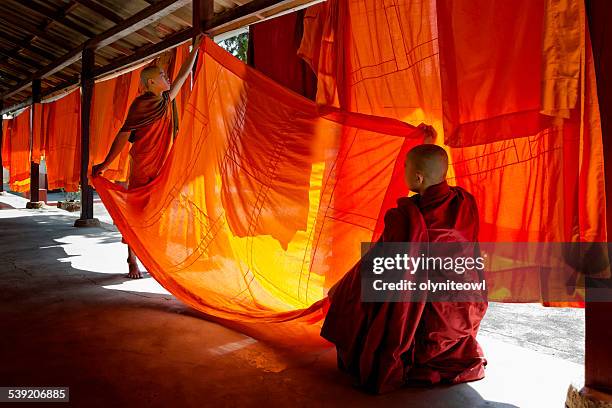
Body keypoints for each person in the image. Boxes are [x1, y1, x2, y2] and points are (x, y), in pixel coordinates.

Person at [321, 142, 487, 393]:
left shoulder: (408, 216)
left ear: (418, 177)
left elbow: (380, 263)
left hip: (430, 309)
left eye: (406, 167)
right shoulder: (465, 200)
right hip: (468, 301)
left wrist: (342, 287)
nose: (403, 171)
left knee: (354, 292)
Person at [92, 35, 202, 279]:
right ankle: (132, 259)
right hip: (143, 164)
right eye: (163, 76)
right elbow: (123, 136)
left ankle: (153, 257)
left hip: (162, 166)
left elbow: (182, 77)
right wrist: (105, 164)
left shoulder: (164, 101)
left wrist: (196, 50)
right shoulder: (140, 105)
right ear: (151, 82)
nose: (168, 78)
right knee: (137, 213)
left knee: (159, 213)